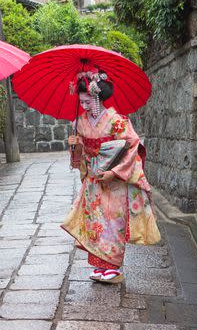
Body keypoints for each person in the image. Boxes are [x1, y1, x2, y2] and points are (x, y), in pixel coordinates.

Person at [61, 71, 160, 284]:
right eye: (81, 102)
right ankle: (99, 265)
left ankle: (114, 267)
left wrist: (114, 172)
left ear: (97, 97)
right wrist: (76, 147)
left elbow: (132, 146)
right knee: (95, 220)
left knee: (114, 221)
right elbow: (78, 159)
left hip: (114, 178)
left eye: (88, 101)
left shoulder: (117, 121)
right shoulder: (79, 123)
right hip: (94, 177)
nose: (84, 106)